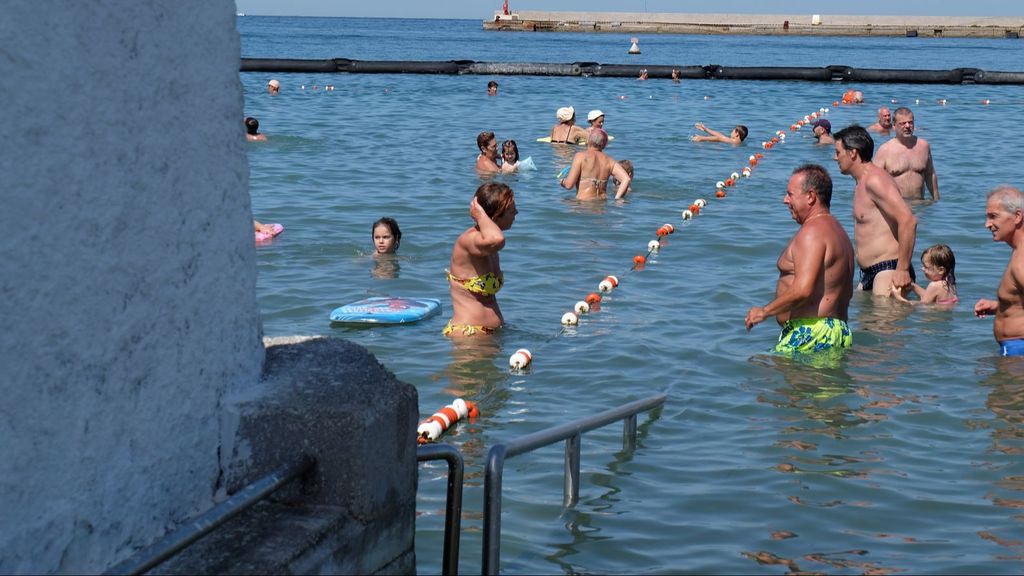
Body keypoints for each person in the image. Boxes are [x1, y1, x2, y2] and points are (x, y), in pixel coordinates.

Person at [744, 164, 855, 354]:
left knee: (760, 377)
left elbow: (803, 290)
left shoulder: (812, 232)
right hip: (837, 331)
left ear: (810, 196)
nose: (785, 200)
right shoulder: (838, 231)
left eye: (790, 194)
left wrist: (765, 311)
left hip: (810, 333)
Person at [832, 124, 918, 296]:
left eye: (838, 152)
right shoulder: (861, 182)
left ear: (853, 153)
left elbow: (908, 220)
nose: (835, 158)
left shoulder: (875, 180)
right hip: (869, 273)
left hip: (888, 269)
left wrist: (902, 269)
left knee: (883, 321)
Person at [443, 182, 517, 337]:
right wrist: (480, 214)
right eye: (511, 210)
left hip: (490, 336)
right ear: (497, 215)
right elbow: (498, 239)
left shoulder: (487, 246)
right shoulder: (470, 240)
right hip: (469, 336)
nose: (516, 212)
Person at [974, 186, 1024, 356]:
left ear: (1017, 216)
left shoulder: (1022, 259)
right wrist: (1002, 306)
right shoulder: (1019, 251)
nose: (987, 224)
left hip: (1018, 351)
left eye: (993, 217)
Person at [873, 107, 939, 201]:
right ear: (894, 126)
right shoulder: (884, 150)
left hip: (920, 206)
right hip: (896, 206)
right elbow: (872, 181)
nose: (907, 126)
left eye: (910, 122)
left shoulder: (923, 146)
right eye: (902, 123)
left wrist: (937, 201)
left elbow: (930, 175)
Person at [559, 129, 631, 201]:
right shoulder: (610, 161)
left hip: (583, 205)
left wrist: (563, 182)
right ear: (604, 145)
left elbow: (569, 185)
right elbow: (626, 179)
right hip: (602, 207)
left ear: (588, 141)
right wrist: (617, 199)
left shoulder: (580, 156)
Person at [893, 244, 957, 304]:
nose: (922, 269)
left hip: (934, 315)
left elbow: (922, 305)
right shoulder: (950, 282)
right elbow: (929, 295)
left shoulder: (934, 285)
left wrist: (898, 297)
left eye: (926, 267)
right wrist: (913, 286)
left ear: (940, 270)